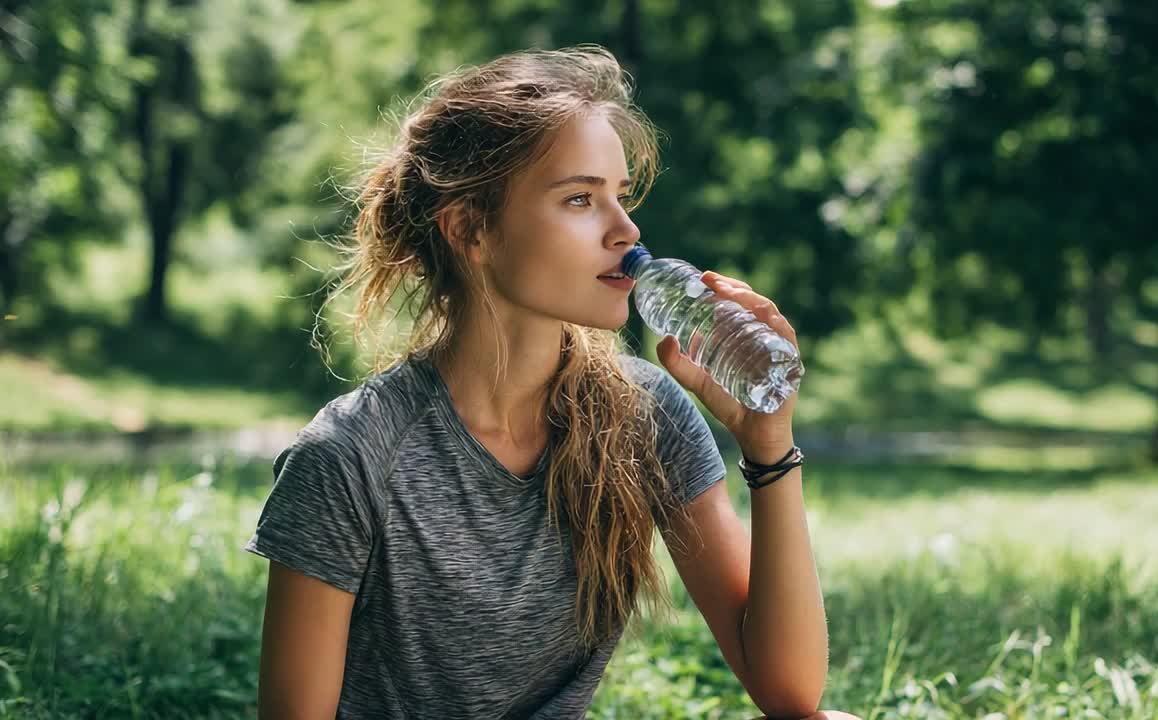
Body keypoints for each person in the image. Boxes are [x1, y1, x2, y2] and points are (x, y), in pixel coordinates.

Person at [245, 44, 857, 720]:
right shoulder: (349, 457)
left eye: (620, 198)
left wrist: (770, 447)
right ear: (470, 230)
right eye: (579, 199)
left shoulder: (645, 414)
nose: (626, 230)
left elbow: (791, 694)